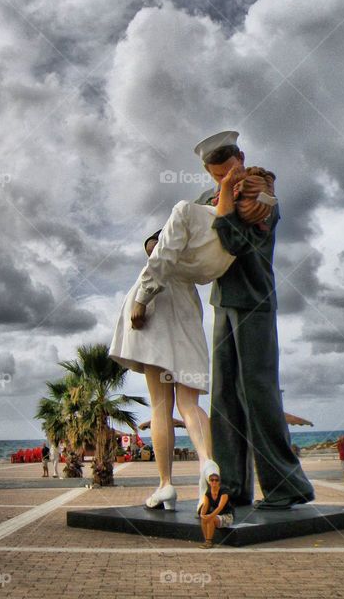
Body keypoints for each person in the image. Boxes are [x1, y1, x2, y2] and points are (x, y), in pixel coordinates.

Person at [109, 167, 273, 509]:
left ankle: (166, 484)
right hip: (187, 316)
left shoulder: (161, 256)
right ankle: (206, 462)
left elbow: (158, 264)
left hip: (154, 311)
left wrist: (142, 298)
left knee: (160, 405)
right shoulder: (206, 255)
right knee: (189, 403)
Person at [194, 130, 315, 510]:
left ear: (242, 158)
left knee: (258, 392)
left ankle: (286, 486)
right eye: (217, 177)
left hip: (254, 302)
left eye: (229, 170)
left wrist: (228, 196)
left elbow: (234, 242)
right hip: (222, 303)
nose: (224, 180)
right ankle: (231, 485)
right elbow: (188, 228)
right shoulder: (208, 199)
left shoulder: (264, 196)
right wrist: (155, 241)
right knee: (224, 397)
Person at [198, 470, 234, 549]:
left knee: (211, 519)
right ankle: (207, 540)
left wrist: (210, 515)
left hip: (227, 516)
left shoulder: (224, 491)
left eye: (216, 480)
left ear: (219, 482)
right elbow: (205, 506)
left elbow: (220, 507)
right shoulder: (208, 493)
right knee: (204, 519)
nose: (214, 482)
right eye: (212, 480)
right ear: (209, 482)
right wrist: (202, 515)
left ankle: (209, 541)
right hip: (217, 515)